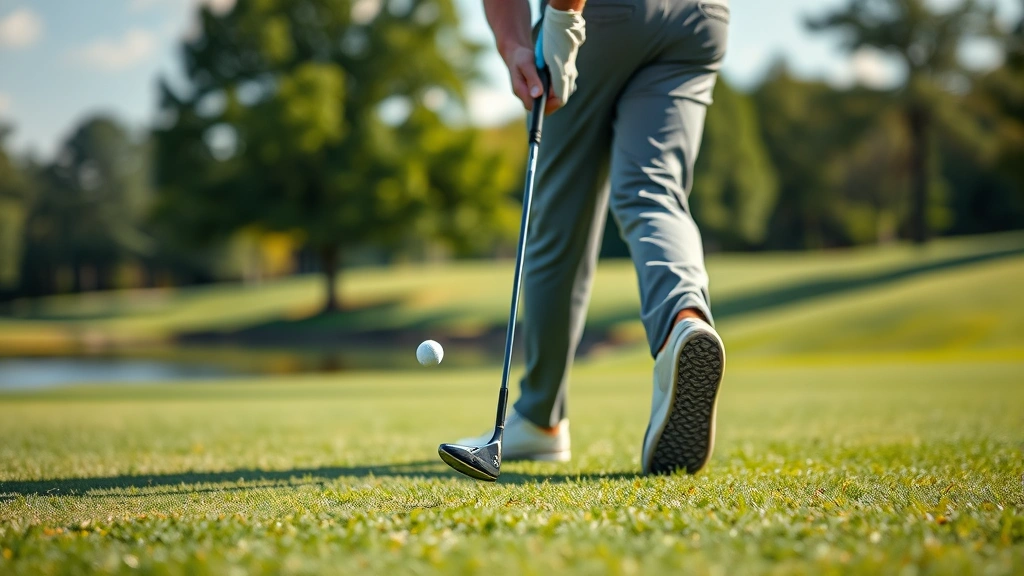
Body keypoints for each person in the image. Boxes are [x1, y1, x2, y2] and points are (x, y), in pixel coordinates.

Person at [454, 0, 729, 475]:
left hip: (605, 13)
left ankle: (540, 417)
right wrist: (515, 42)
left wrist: (559, 20)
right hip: (702, 16)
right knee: (653, 191)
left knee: (558, 218)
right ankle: (682, 322)